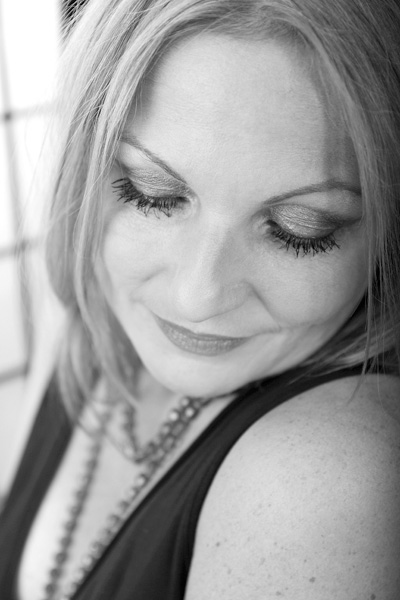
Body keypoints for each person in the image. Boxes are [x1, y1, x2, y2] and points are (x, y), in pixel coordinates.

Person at [1, 0, 400, 598]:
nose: (197, 297)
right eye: (152, 195)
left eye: (299, 230)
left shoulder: (317, 477)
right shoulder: (92, 314)